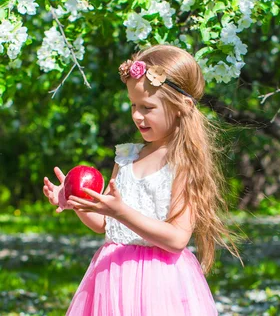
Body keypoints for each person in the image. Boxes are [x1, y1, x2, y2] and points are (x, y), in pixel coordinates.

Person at [42, 44, 243, 315]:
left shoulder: (182, 162)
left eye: (147, 107)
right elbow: (105, 225)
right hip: (112, 278)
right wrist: (76, 201)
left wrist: (121, 211)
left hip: (159, 283)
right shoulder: (126, 156)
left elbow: (176, 239)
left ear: (180, 107)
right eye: (133, 105)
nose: (137, 115)